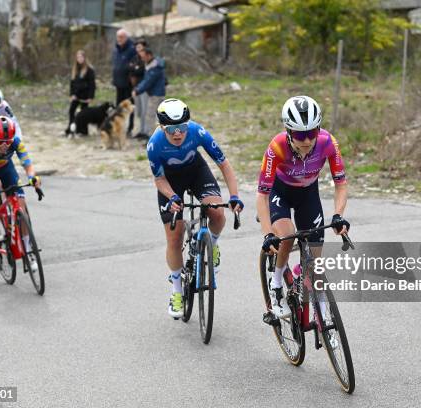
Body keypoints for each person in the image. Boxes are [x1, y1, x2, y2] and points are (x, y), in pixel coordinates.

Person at [146, 98, 244, 318]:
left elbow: (224, 164)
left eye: (182, 127)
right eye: (172, 130)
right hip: (170, 183)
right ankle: (177, 291)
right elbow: (159, 180)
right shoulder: (154, 145)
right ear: (162, 128)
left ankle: (213, 245)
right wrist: (171, 197)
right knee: (175, 235)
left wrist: (235, 195)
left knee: (217, 213)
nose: (178, 133)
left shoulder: (197, 132)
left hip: (197, 172)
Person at [256, 96, 350, 317]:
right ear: (288, 131)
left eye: (312, 132)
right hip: (281, 193)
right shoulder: (276, 147)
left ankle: (322, 310)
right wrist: (267, 233)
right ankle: (277, 283)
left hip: (308, 194)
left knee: (316, 257)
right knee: (287, 236)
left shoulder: (328, 142)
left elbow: (341, 185)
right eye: (300, 134)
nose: (307, 140)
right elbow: (262, 195)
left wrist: (338, 215)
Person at [0, 116, 41, 269]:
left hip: (5, 167)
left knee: (21, 207)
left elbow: (28, 165)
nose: (4, 146)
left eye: (8, 142)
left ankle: (28, 250)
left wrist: (33, 178)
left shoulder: (16, 142)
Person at [132, 48, 166, 141]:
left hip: (156, 95)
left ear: (149, 55)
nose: (142, 59)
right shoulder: (152, 65)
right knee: (158, 118)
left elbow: (148, 81)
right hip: (155, 93)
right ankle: (159, 137)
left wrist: (137, 90)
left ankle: (152, 139)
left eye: (143, 57)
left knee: (150, 117)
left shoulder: (155, 67)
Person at [112, 29, 136, 137]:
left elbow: (133, 66)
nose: (119, 39)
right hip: (118, 83)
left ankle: (129, 128)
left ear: (126, 38)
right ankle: (119, 126)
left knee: (129, 107)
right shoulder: (116, 50)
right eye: (118, 37)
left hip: (128, 84)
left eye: (121, 37)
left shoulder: (131, 49)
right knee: (119, 107)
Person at [65, 50, 96, 136]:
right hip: (76, 95)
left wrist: (90, 97)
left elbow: (92, 85)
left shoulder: (89, 70)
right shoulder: (75, 69)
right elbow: (72, 83)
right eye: (78, 57)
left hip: (85, 96)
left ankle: (83, 131)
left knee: (83, 114)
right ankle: (70, 129)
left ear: (84, 58)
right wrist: (72, 94)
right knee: (71, 111)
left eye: (81, 57)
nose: (79, 59)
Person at [128, 41, 148, 140]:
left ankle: (145, 131)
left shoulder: (147, 59)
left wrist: (135, 69)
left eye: (140, 47)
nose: (138, 49)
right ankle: (140, 130)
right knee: (139, 112)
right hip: (135, 88)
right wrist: (135, 68)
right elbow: (130, 69)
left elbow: (140, 71)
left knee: (145, 111)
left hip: (144, 89)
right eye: (137, 48)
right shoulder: (134, 58)